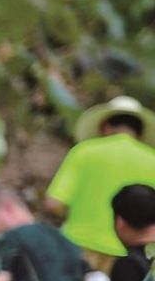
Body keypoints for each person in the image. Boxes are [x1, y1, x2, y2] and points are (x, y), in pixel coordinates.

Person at [46, 96, 155, 259]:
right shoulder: (152, 160)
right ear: (139, 133)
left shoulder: (84, 151)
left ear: (105, 127)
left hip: (76, 247)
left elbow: (53, 203)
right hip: (128, 256)